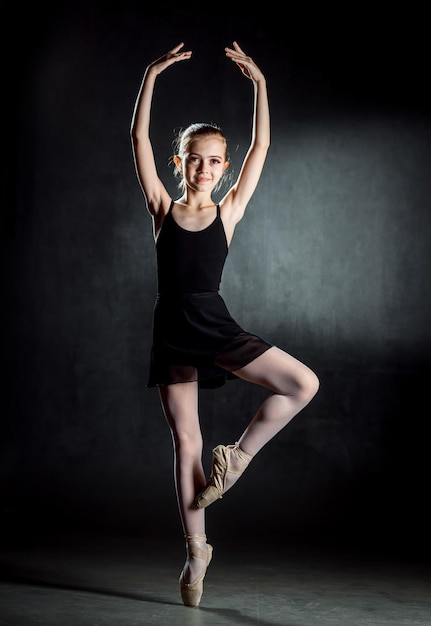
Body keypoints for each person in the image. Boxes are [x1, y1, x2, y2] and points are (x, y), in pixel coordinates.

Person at [130, 41, 319, 607]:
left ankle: (237, 456)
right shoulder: (163, 208)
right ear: (177, 163)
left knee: (302, 383)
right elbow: (137, 139)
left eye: (215, 160)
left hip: (214, 323)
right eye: (194, 158)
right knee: (185, 441)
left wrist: (259, 85)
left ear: (225, 166)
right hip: (171, 330)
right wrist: (151, 74)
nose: (204, 168)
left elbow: (262, 143)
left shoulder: (229, 210)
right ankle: (197, 550)